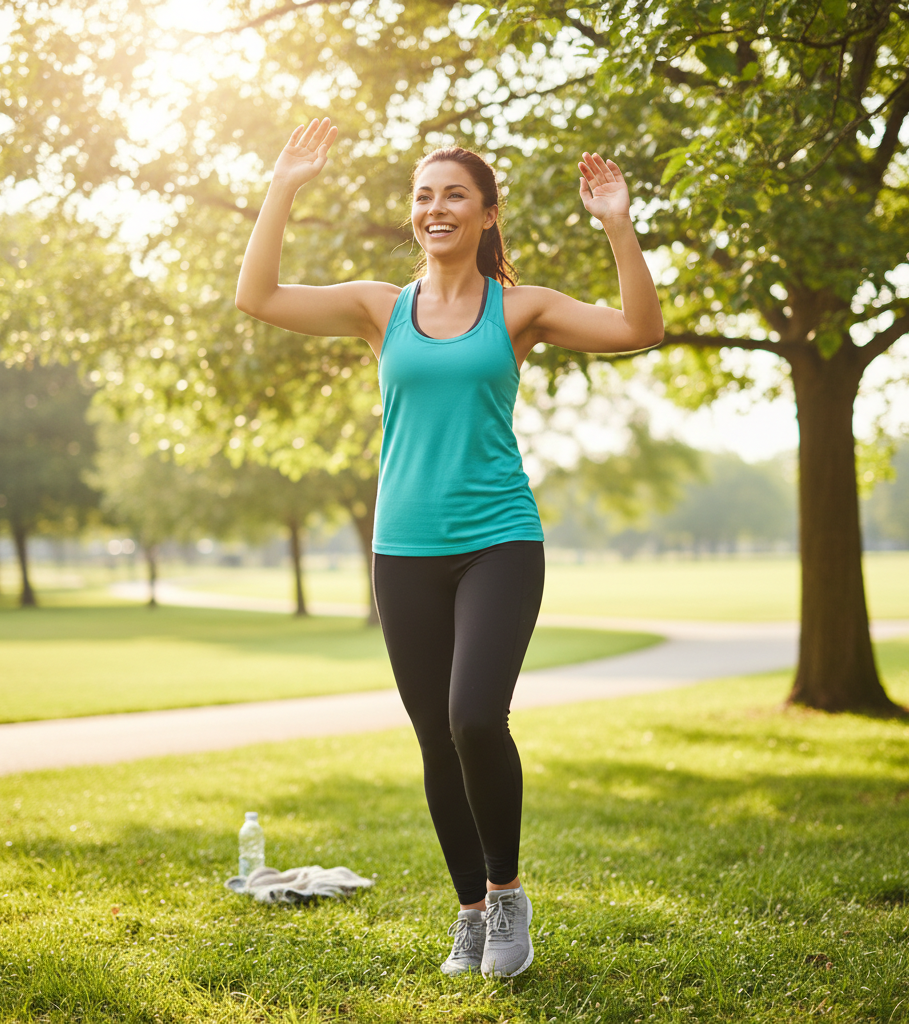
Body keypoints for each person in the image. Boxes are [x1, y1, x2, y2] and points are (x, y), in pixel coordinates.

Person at [235, 117, 664, 977]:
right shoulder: (377, 308)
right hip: (404, 550)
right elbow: (259, 297)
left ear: (486, 213)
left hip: (499, 540)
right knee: (435, 735)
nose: (436, 208)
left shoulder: (521, 309)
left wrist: (617, 222)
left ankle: (507, 896)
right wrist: (283, 187)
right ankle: (469, 912)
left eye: (454, 195)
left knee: (475, 717)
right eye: (424, 196)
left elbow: (639, 329)